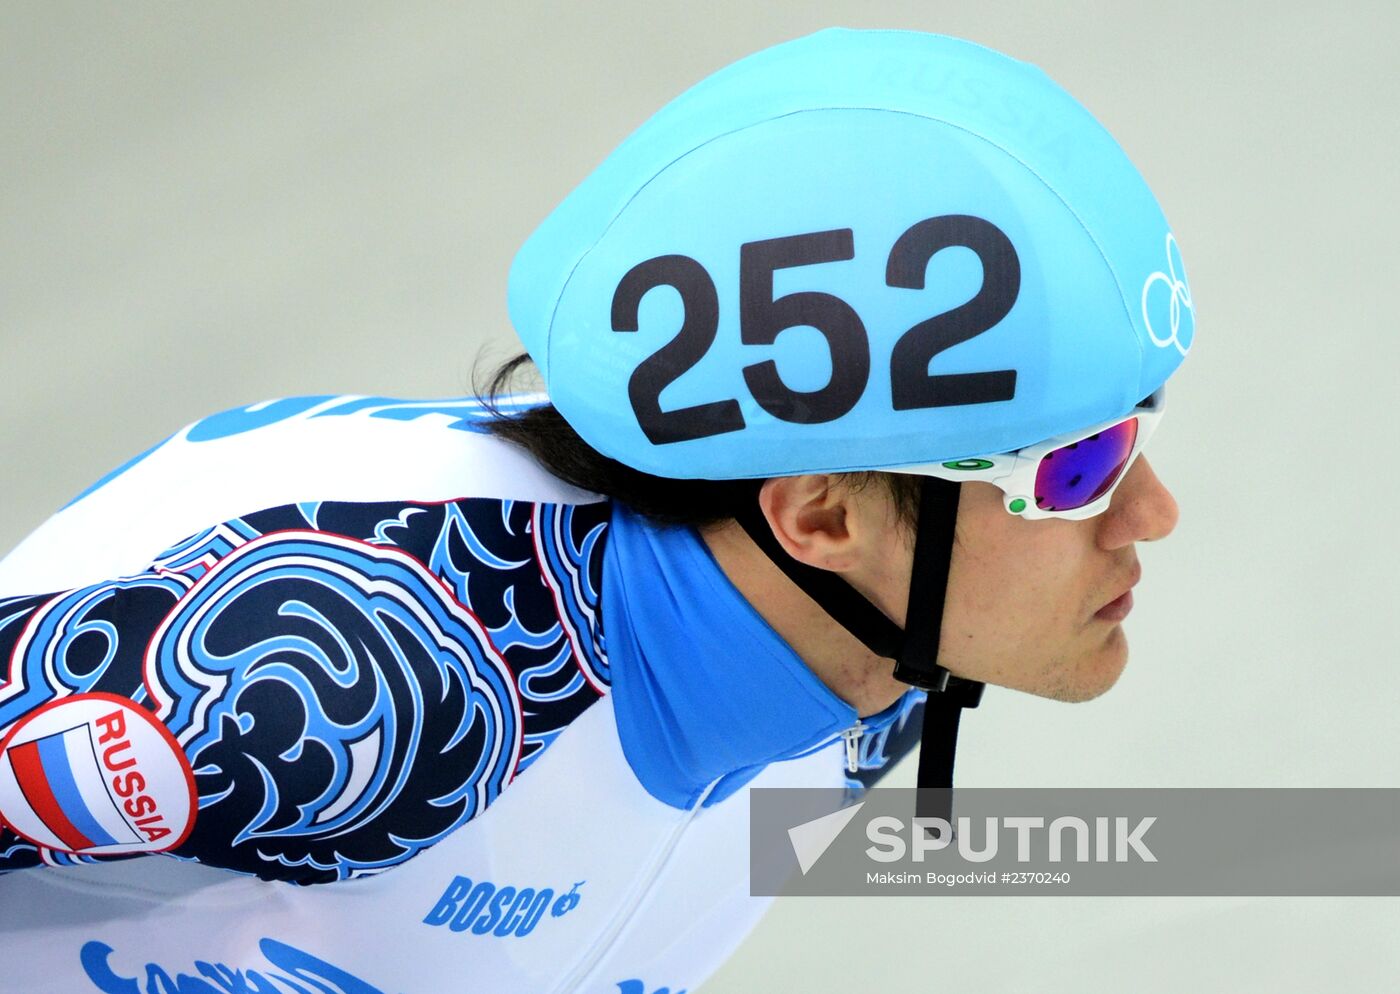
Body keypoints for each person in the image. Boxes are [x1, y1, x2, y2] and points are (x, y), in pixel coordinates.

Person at [0, 26, 1193, 993]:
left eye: (1139, 427)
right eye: (1076, 466)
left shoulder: (870, 672)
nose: (1151, 512)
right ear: (818, 514)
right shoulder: (365, 670)